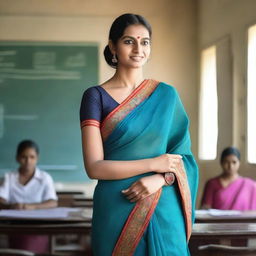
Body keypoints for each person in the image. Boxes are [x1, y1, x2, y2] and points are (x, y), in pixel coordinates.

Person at [80, 13, 198, 256]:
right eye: (128, 41)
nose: (138, 49)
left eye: (144, 42)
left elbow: (182, 158)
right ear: (112, 46)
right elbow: (94, 167)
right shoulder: (95, 97)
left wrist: (160, 179)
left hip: (163, 205)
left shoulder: (167, 96)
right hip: (116, 206)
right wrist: (154, 164)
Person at [0, 139, 58, 253]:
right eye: (23, 157)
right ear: (17, 158)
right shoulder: (9, 177)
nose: (28, 161)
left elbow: (53, 202)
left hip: (39, 225)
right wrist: (11, 205)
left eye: (32, 157)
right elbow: (1, 200)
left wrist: (31, 207)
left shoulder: (45, 177)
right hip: (14, 225)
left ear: (37, 158)